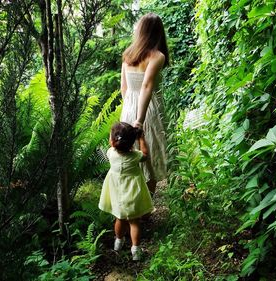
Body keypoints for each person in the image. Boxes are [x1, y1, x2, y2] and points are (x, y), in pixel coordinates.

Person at [120, 13, 169, 195]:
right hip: (148, 109)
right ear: (158, 33)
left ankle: (133, 204)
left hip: (129, 108)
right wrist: (140, 119)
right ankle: (146, 209)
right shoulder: (157, 56)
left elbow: (123, 88)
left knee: (131, 155)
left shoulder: (128, 55)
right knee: (149, 156)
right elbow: (147, 85)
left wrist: (130, 111)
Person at [98, 122, 154, 261]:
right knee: (134, 222)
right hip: (132, 194)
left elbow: (116, 146)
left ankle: (118, 243)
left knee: (120, 218)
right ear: (132, 142)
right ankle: (135, 250)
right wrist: (141, 138)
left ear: (112, 141)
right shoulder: (135, 156)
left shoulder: (110, 153)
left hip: (117, 194)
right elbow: (145, 155)